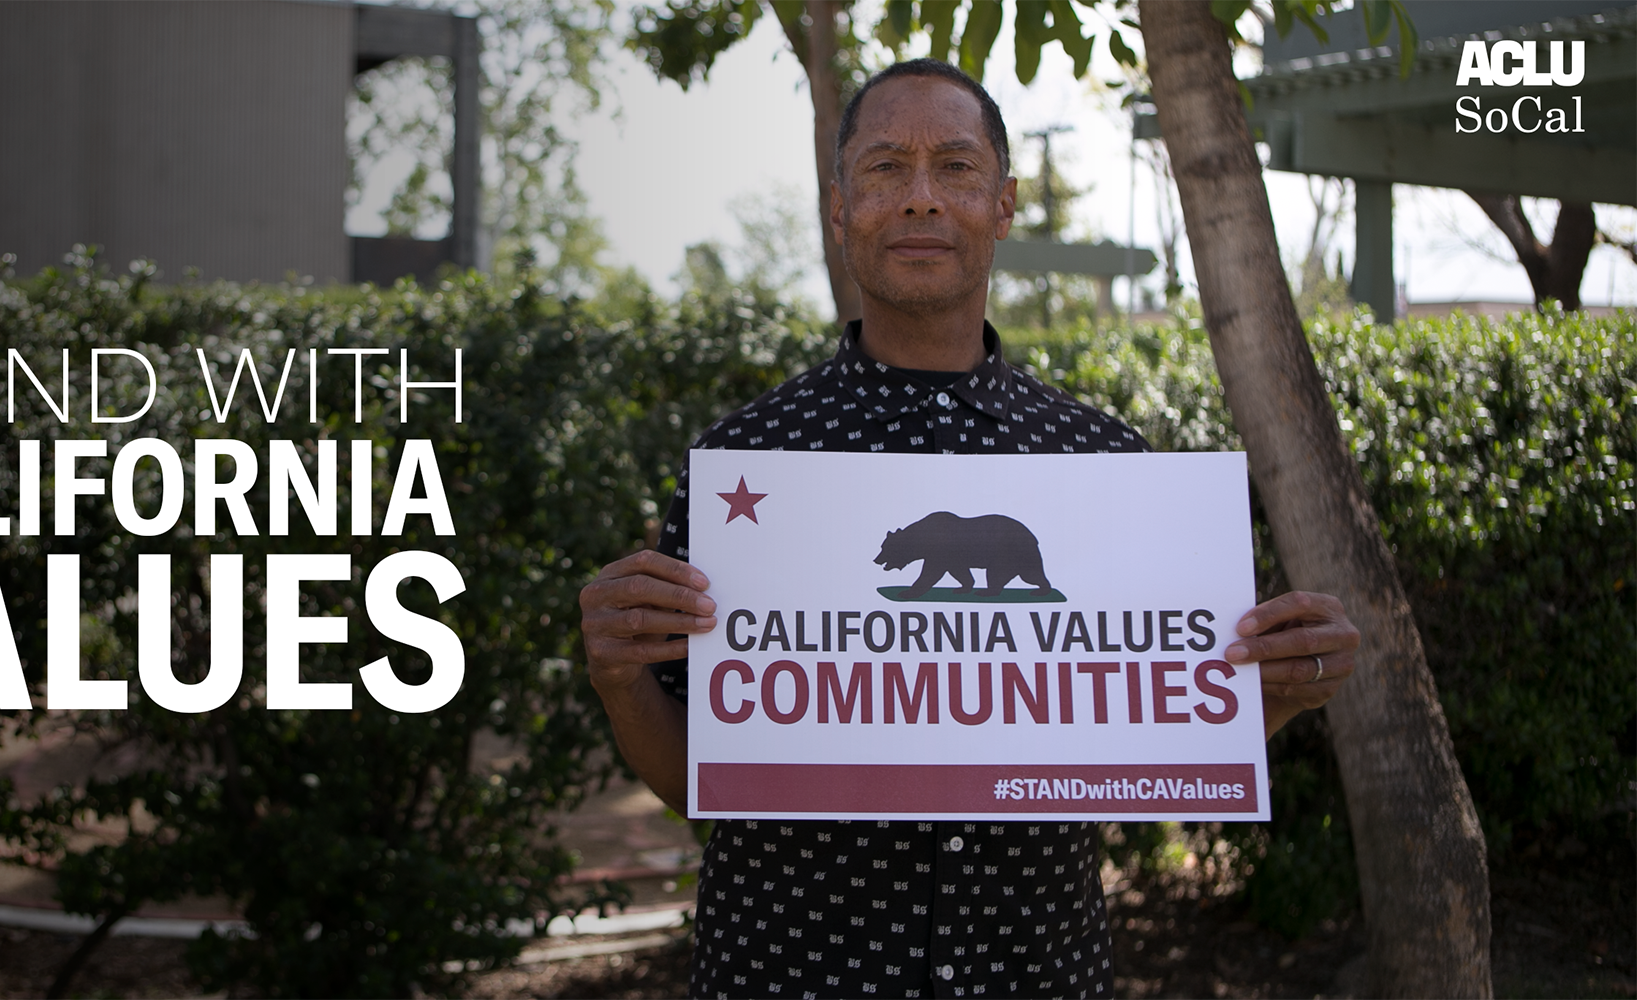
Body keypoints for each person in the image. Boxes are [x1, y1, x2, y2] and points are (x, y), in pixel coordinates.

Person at [578, 58, 1361, 999]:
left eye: (953, 167)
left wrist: (1275, 690)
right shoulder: (748, 466)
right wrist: (620, 679)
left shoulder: (1105, 466)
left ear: (1003, 203)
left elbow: (1147, 737)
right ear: (839, 210)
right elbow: (697, 774)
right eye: (883, 170)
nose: (918, 200)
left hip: (1031, 971)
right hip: (788, 972)